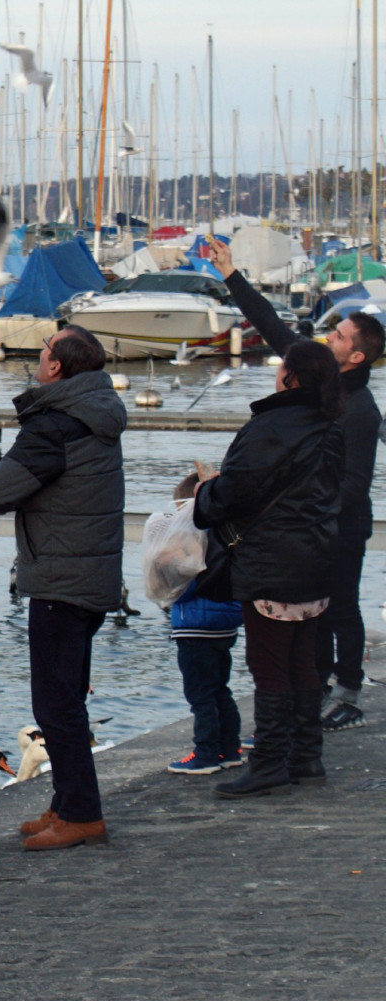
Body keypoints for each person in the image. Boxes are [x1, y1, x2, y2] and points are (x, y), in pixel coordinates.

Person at [206, 237, 382, 730]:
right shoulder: (318, 377)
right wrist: (231, 274)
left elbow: (354, 484)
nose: (331, 339)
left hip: (341, 524)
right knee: (314, 613)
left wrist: (300, 503)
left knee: (341, 605)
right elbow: (270, 325)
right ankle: (320, 686)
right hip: (313, 522)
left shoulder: (361, 412)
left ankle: (346, 690)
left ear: (356, 359)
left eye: (341, 337)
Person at [0, 325, 127, 850]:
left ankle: (82, 814)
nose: (36, 359)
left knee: (55, 705)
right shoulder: (96, 414)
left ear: (56, 367)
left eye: (41, 352)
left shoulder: (55, 426)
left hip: (62, 578)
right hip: (89, 573)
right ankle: (65, 803)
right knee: (66, 699)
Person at [193, 339, 346, 797]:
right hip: (316, 556)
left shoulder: (271, 426)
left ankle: (269, 761)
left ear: (291, 377)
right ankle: (305, 756)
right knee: (302, 660)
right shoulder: (330, 425)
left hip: (271, 559)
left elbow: (234, 492)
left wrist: (205, 493)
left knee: (269, 663)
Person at [162, 471, 245, 775]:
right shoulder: (227, 530)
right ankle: (230, 748)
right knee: (220, 688)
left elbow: (179, 584)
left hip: (195, 625)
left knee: (200, 695)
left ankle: (206, 753)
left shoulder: (190, 537)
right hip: (226, 624)